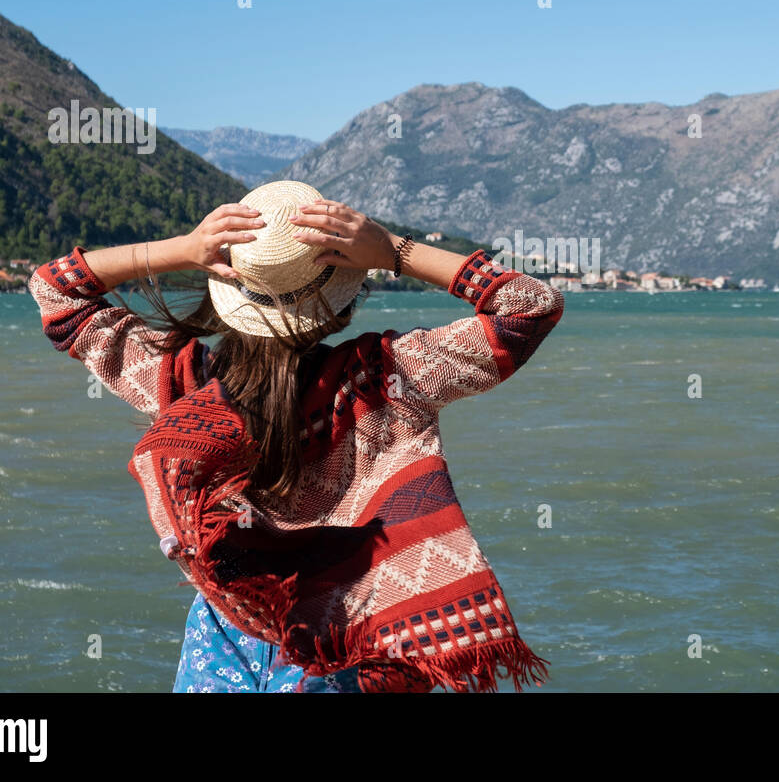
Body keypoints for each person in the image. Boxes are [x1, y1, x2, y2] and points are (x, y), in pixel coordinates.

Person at [28, 180, 564, 692]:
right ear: (343, 301)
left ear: (227, 291)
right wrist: (391, 250)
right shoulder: (390, 378)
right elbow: (529, 306)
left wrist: (185, 249)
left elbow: (55, 289)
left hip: (231, 634)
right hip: (358, 639)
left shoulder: (180, 384)